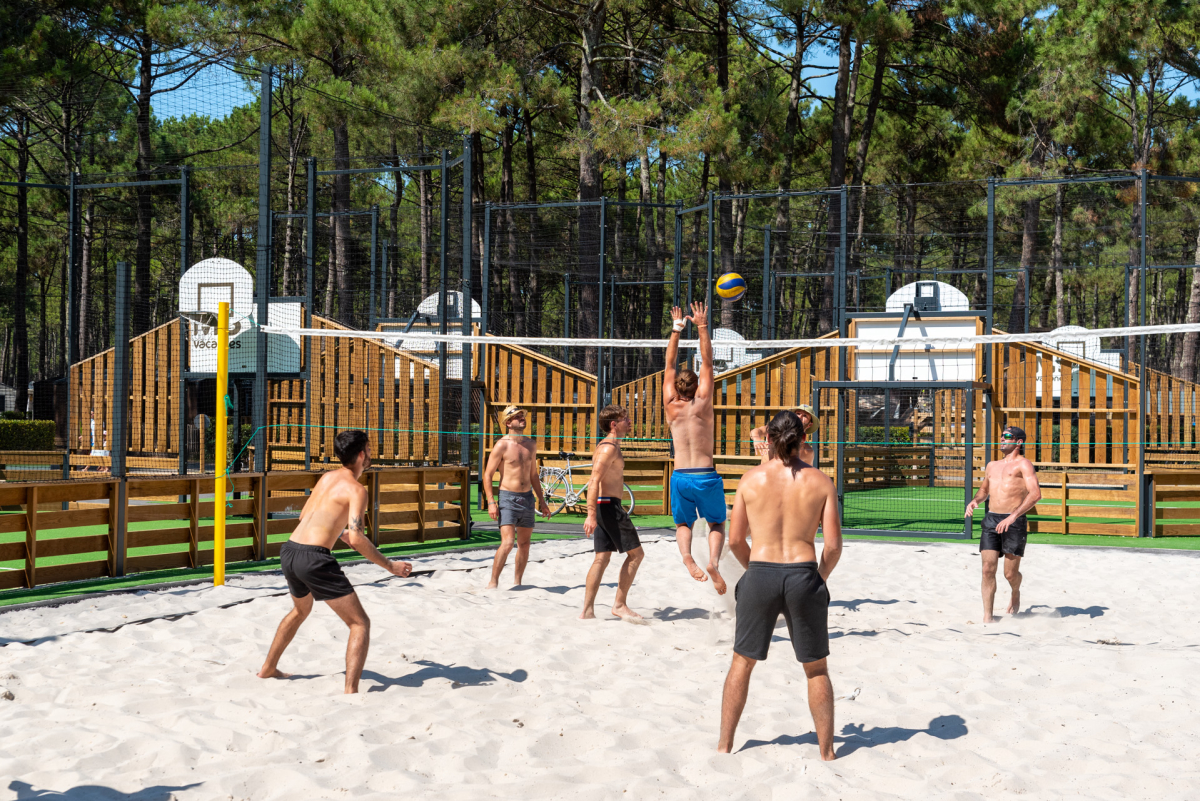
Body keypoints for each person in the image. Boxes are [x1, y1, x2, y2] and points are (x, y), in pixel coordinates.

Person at [719, 410, 842, 758]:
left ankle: (725, 744)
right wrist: (818, 577)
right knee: (816, 668)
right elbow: (833, 546)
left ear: (768, 439)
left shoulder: (750, 479)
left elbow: (735, 541)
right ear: (804, 440)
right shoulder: (820, 481)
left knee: (741, 662)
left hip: (761, 571)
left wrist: (754, 569)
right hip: (803, 573)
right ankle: (827, 752)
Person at [258, 430, 412, 694]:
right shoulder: (356, 489)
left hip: (290, 550)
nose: (371, 453)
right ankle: (350, 691)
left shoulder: (327, 477)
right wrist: (390, 566)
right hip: (313, 559)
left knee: (299, 611)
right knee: (359, 623)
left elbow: (304, 516)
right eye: (370, 448)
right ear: (362, 454)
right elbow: (357, 537)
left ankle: (268, 669)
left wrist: (337, 533)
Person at [664, 301, 728, 594]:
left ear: (677, 387)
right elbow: (707, 363)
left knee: (683, 525)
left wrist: (677, 328)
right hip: (705, 474)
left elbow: (668, 364)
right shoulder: (703, 402)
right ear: (695, 386)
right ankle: (713, 560)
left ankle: (687, 557)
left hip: (680, 476)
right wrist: (702, 326)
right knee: (716, 523)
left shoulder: (670, 404)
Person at [965, 425, 1041, 622]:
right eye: (1001, 436)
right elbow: (984, 490)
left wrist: (1013, 516)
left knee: (1009, 574)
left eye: (1007, 436)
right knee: (987, 569)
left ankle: (1015, 591)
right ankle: (987, 617)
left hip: (1013, 522)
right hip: (991, 519)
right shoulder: (992, 465)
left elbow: (1035, 494)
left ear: (1018, 442)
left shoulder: (1024, 465)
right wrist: (975, 500)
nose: (1002, 439)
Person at [580, 405, 645, 621]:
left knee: (601, 558)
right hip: (608, 506)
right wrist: (590, 514)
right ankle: (619, 604)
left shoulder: (609, 446)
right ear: (613, 424)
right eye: (625, 418)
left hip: (604, 505)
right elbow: (593, 481)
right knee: (636, 554)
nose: (629, 421)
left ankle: (587, 611)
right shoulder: (609, 448)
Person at [482, 405, 551, 588]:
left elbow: (533, 475)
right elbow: (487, 475)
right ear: (508, 423)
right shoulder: (502, 445)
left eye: (522, 416)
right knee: (508, 543)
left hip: (527, 498)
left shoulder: (531, 444)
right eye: (517, 416)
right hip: (507, 497)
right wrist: (491, 501)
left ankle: (518, 582)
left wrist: (542, 501)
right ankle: (493, 582)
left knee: (525, 544)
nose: (522, 418)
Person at [749, 404, 816, 465]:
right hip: (765, 476)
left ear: (810, 424)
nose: (800, 416)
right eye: (798, 413)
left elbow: (807, 474)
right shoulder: (777, 429)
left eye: (805, 416)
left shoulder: (807, 451)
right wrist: (756, 438)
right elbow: (756, 431)